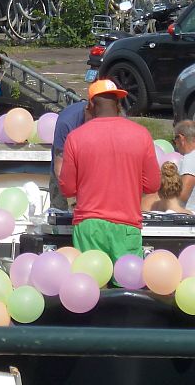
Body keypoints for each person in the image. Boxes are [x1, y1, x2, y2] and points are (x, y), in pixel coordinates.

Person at [58, 79, 160, 260]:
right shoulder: (141, 134)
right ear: (118, 103)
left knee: (92, 285)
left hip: (89, 226)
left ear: (90, 104)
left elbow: (67, 189)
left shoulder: (75, 137)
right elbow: (152, 185)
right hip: (127, 226)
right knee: (127, 286)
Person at [50, 98, 88, 211]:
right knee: (62, 215)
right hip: (67, 170)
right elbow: (59, 167)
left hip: (94, 174)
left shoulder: (116, 118)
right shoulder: (67, 122)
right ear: (89, 109)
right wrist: (72, 200)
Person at [173, 120, 195, 209]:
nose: (175, 145)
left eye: (174, 140)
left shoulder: (190, 157)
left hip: (189, 216)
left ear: (181, 138)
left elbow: (183, 194)